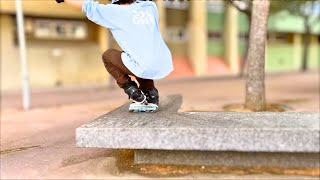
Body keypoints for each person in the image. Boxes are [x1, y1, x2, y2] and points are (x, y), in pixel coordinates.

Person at [56, 0, 173, 111]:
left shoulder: (114, 12)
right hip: (164, 62)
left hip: (144, 66)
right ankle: (151, 94)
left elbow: (87, 6)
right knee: (139, 56)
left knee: (108, 56)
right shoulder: (150, 7)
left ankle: (133, 91)